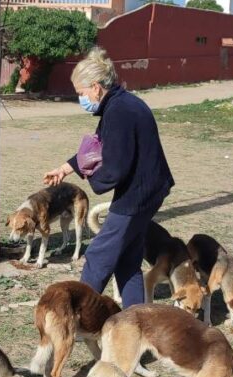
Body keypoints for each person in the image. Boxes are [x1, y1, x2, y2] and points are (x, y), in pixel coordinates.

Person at [43, 48, 173, 307]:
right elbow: (97, 149)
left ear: (95, 87)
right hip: (148, 191)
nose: (80, 99)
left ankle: (78, 314)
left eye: (81, 93)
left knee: (98, 256)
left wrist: (94, 180)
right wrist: (65, 169)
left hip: (137, 195)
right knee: (127, 260)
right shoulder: (121, 103)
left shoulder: (119, 112)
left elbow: (115, 168)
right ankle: (137, 321)